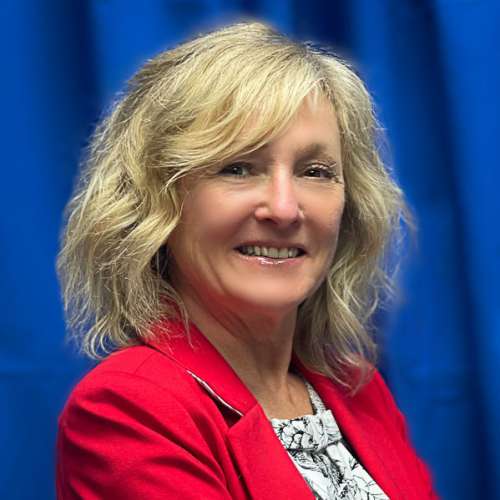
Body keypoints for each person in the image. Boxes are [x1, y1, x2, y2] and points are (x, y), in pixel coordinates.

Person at [56, 22, 438, 500]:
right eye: (237, 167)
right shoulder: (127, 408)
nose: (283, 208)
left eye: (315, 171)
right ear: (158, 202)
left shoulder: (356, 387)